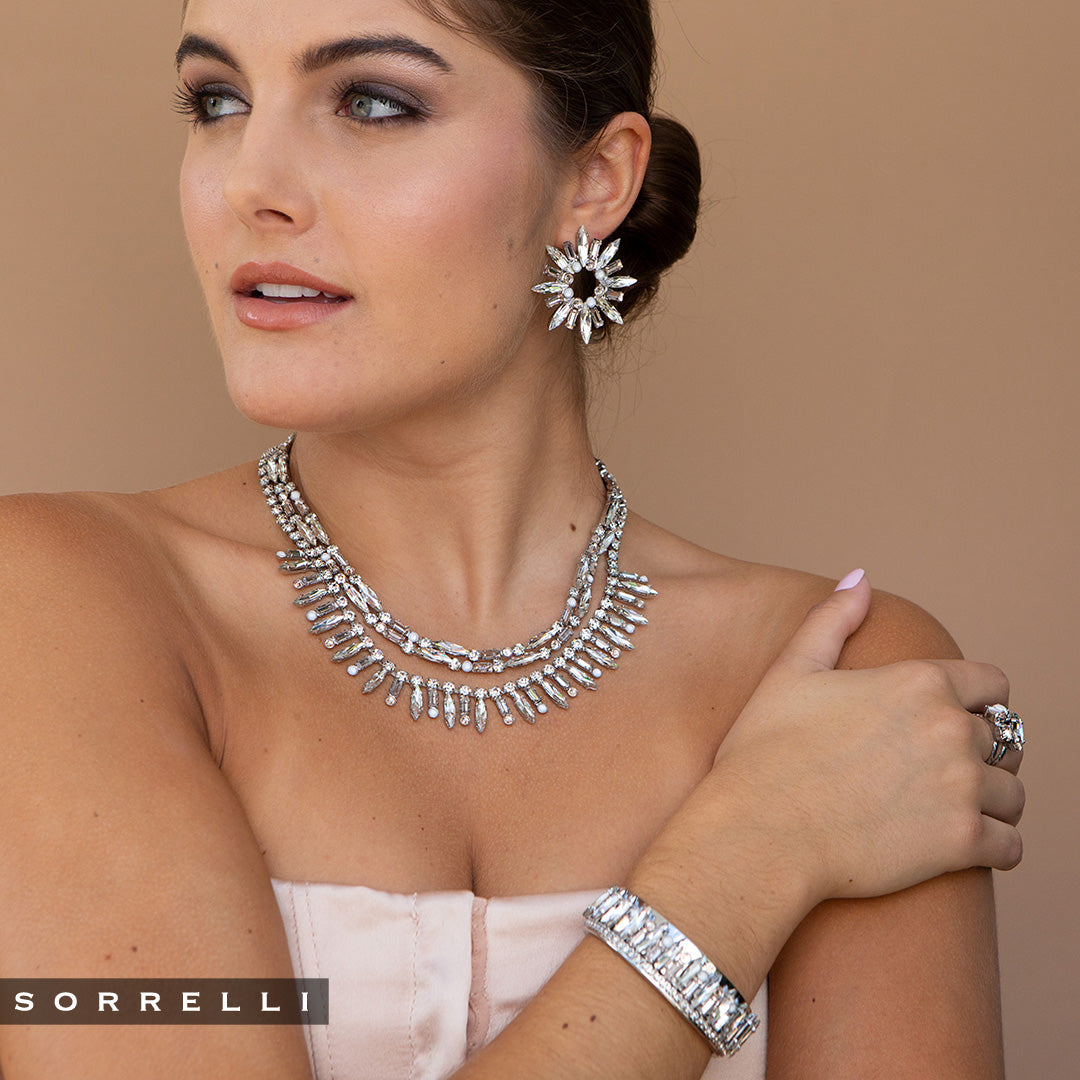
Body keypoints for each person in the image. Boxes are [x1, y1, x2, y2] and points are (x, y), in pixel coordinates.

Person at [0, 0, 1025, 1077]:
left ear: (595, 179)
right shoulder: (56, 608)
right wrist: (754, 852)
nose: (248, 184)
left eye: (372, 103)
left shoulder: (851, 680)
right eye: (218, 102)